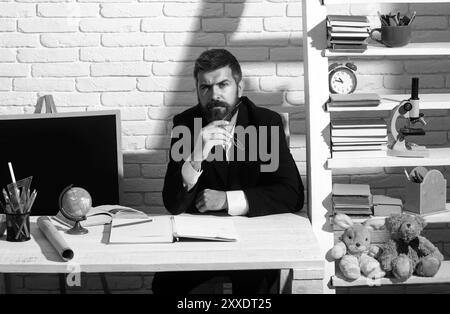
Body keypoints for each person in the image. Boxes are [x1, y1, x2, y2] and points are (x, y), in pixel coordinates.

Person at [152, 49, 304, 294]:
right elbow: (173, 204)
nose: (215, 95)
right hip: (201, 243)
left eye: (223, 84)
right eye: (205, 87)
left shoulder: (266, 122)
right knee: (164, 284)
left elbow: (293, 194)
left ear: (239, 88)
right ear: (197, 91)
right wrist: (196, 156)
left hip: (256, 241)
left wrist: (227, 200)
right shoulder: (186, 125)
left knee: (255, 288)